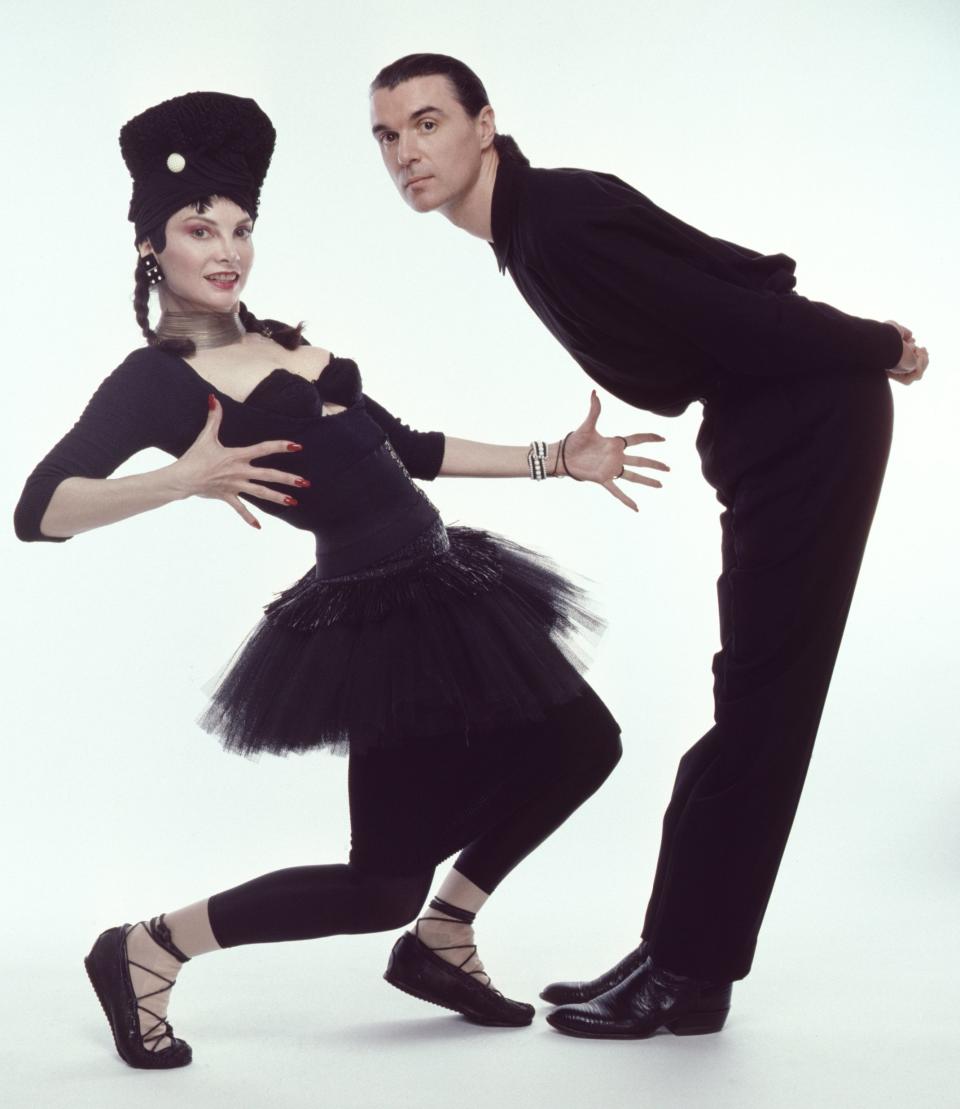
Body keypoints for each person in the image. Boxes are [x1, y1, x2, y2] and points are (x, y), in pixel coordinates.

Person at [13, 91, 671, 1068]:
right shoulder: (156, 377)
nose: (227, 248)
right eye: (200, 229)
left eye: (242, 227)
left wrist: (553, 459)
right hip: (380, 624)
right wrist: (180, 477)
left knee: (585, 742)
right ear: (154, 246)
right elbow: (37, 509)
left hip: (451, 586)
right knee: (377, 888)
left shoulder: (283, 341)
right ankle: (148, 945)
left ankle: (445, 933)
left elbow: (408, 449)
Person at [368, 53, 930, 1040]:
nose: (405, 151)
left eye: (425, 123)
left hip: (808, 414)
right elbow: (689, 349)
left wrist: (872, 342)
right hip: (772, 426)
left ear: (483, 124)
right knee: (748, 692)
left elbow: (737, 309)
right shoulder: (531, 236)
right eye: (387, 135)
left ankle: (689, 970)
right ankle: (676, 947)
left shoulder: (555, 226)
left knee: (762, 701)